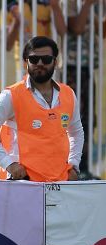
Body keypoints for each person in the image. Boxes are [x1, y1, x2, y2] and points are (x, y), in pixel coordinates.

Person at [0, 36, 83, 181]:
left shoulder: (68, 94)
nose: (40, 63)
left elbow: (76, 132)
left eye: (46, 59)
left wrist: (74, 165)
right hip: (21, 183)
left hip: (59, 182)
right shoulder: (11, 95)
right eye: (34, 59)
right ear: (25, 62)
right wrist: (9, 164)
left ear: (55, 62)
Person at [65, 0, 106, 177]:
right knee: (76, 117)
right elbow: (77, 28)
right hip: (71, 67)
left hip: (87, 67)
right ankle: (73, 166)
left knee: (89, 118)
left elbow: (102, 31)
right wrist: (87, 5)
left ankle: (84, 166)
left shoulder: (95, 5)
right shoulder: (71, 3)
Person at [6, 1, 67, 69]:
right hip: (24, 65)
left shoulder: (48, 4)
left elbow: (62, 31)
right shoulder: (11, 7)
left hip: (47, 62)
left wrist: (55, 6)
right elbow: (8, 46)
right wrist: (16, 21)